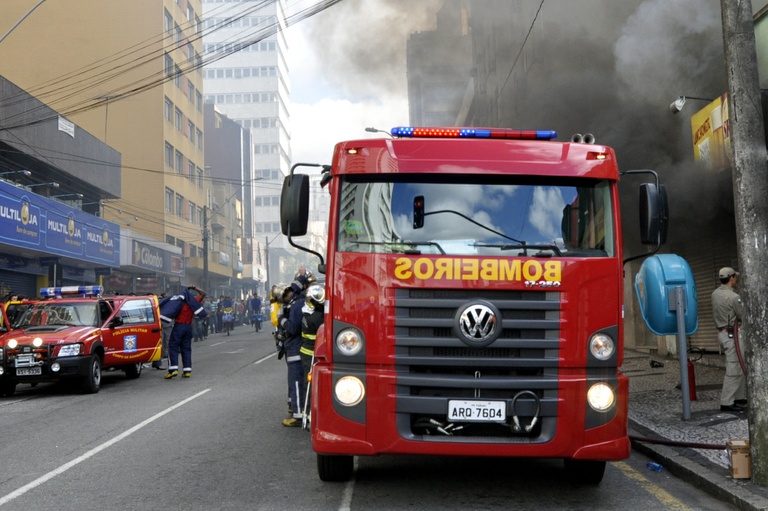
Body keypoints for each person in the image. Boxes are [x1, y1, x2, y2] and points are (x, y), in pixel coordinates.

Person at [278, 268, 315, 427]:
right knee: (298, 382)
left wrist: (281, 320)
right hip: (302, 348)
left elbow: (292, 328)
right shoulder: (307, 301)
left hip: (296, 348)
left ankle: (298, 416)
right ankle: (295, 407)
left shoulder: (297, 303)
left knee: (296, 382)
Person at [711, 267, 746, 413]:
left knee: (738, 364)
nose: (736, 280)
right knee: (734, 367)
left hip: (723, 333)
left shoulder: (715, 294)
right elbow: (742, 315)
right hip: (732, 335)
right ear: (731, 278)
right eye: (735, 278)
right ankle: (727, 402)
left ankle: (739, 397)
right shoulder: (733, 297)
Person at [160, 285, 207, 379]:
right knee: (186, 349)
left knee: (173, 346)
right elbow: (203, 294)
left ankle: (173, 369)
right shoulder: (193, 302)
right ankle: (187, 370)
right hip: (188, 327)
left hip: (179, 326)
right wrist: (195, 288)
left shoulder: (178, 303)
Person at [299, 284, 325, 426]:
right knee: (314, 385)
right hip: (313, 354)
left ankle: (307, 413)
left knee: (307, 384)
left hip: (305, 353)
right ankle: (310, 415)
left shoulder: (307, 315)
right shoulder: (319, 318)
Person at [152, 292, 170, 370]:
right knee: (159, 344)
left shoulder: (168, 307)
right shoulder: (155, 307)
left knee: (165, 342)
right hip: (158, 327)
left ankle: (157, 362)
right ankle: (158, 362)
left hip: (167, 326)